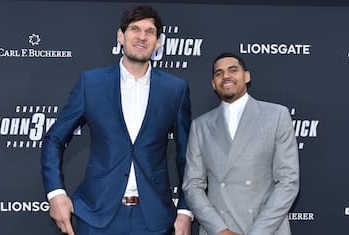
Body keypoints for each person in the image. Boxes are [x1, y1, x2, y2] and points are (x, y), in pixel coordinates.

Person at [41, 5, 192, 235]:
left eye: (150, 32)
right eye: (135, 29)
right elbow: (54, 139)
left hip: (153, 219)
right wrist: (56, 193)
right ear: (120, 36)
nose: (142, 36)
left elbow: (187, 156)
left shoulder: (175, 89)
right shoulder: (91, 84)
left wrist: (185, 210)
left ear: (158, 42)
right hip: (97, 215)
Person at [182, 52, 299, 235]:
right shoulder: (200, 126)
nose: (226, 76)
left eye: (233, 70)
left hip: (267, 229)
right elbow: (192, 185)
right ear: (213, 83)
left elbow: (288, 181)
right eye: (218, 73)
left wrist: (258, 232)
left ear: (247, 76)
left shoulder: (276, 116)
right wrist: (220, 230)